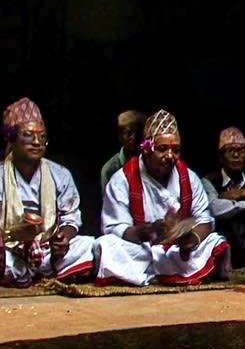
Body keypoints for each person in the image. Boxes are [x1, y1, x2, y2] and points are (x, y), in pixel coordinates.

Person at [0, 98, 98, 285]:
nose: (37, 142)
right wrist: (14, 235)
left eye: (42, 137)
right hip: (8, 252)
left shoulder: (60, 174)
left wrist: (63, 238)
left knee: (95, 246)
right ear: (11, 139)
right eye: (28, 135)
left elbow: (71, 217)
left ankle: (48, 269)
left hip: (48, 251)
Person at [97, 109, 229, 286]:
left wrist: (191, 240)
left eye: (175, 150)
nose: (170, 156)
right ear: (146, 149)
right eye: (162, 149)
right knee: (106, 246)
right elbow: (115, 227)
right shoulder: (122, 179)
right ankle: (172, 273)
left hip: (177, 250)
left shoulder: (189, 177)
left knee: (215, 240)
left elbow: (204, 219)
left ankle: (170, 271)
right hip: (141, 249)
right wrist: (150, 230)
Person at [204, 126, 245, 267]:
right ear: (221, 157)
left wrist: (243, 193)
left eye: (241, 150)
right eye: (230, 151)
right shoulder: (209, 181)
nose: (236, 156)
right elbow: (214, 209)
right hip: (223, 246)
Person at [100, 110, 147, 188]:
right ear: (120, 136)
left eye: (138, 133)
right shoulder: (110, 169)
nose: (133, 137)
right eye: (128, 133)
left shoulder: (152, 162)